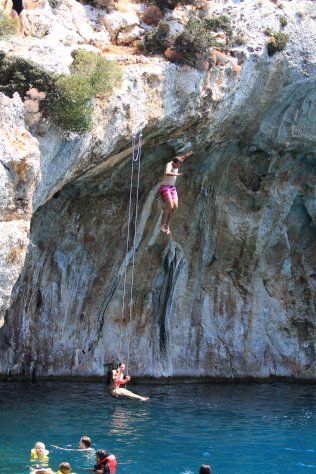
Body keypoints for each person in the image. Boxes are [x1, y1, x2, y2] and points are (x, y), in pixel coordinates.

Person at [159, 150, 193, 234]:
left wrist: (188, 154)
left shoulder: (177, 161)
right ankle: (162, 224)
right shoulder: (169, 164)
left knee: (176, 207)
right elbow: (167, 172)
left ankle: (167, 225)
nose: (178, 167)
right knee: (170, 206)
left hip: (172, 188)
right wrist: (176, 174)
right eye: (177, 165)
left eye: (179, 165)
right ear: (173, 162)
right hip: (165, 188)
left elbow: (182, 158)